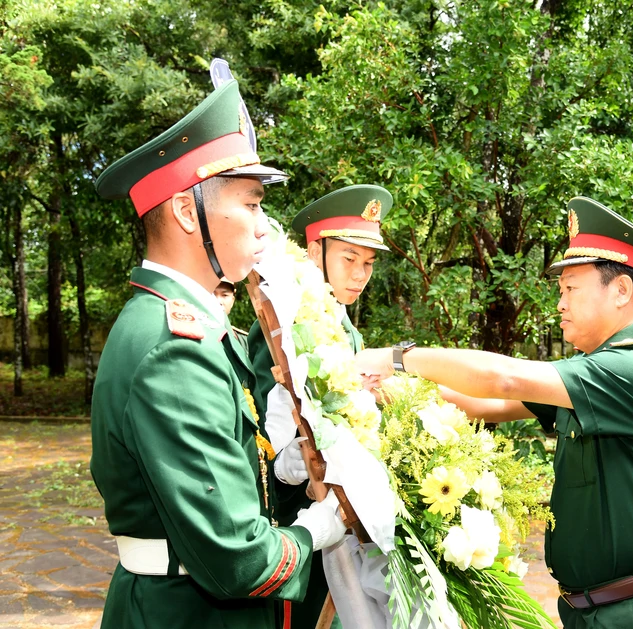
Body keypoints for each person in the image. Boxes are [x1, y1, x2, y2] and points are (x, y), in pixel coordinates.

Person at [355, 196, 633, 629]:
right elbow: (485, 404)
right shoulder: (592, 373)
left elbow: (505, 379)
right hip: (597, 609)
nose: (560, 304)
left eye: (571, 289)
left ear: (620, 290)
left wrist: (395, 357)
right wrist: (387, 390)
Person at [90, 79, 346, 629]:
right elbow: (236, 558)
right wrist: (319, 527)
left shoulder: (186, 329)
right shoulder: (173, 351)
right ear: (187, 211)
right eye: (251, 203)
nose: (264, 226)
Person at [248, 184, 393, 629]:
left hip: (345, 515)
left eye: (368, 263)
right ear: (314, 254)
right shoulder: (281, 330)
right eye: (348, 258)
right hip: (300, 516)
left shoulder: (343, 329)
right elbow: (270, 439)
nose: (360, 274)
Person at [214, 276, 250, 352]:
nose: (218, 301)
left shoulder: (244, 341)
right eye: (213, 294)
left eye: (224, 295)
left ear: (232, 300)